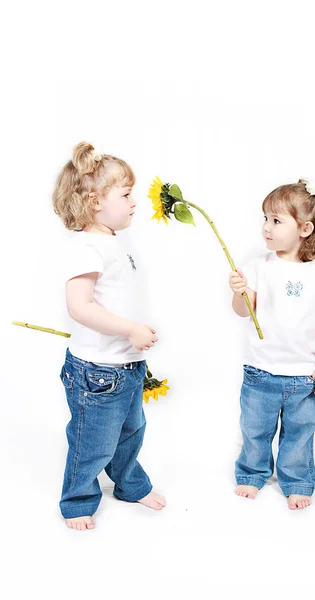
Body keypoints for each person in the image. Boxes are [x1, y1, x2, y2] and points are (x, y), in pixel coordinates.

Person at [52, 142, 166, 530]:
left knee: (131, 433)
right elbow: (80, 307)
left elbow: (118, 299)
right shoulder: (86, 246)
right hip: (97, 372)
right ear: (94, 201)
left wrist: (139, 329)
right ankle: (78, 500)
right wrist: (130, 329)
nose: (135, 202)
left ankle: (130, 485)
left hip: (126, 367)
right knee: (92, 443)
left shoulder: (113, 242)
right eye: (127, 194)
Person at [229, 179, 315, 510]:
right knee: (254, 430)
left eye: (276, 221)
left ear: (305, 228)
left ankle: (296, 480)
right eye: (265, 218)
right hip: (260, 372)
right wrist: (239, 291)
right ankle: (252, 474)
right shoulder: (257, 266)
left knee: (299, 435)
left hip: (303, 378)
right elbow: (243, 312)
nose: (266, 228)